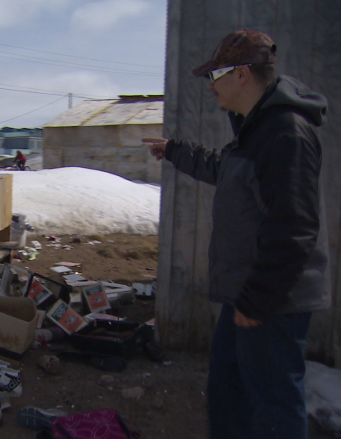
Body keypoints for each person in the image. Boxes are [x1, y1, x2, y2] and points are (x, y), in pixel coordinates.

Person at [143, 30, 330, 439]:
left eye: (216, 75)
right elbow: (223, 170)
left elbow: (295, 228)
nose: (209, 85)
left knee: (274, 405)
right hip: (250, 291)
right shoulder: (254, 128)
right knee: (229, 390)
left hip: (273, 298)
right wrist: (174, 151)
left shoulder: (285, 134)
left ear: (242, 73)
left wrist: (259, 301)